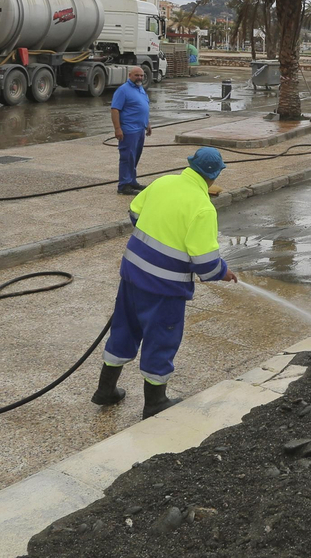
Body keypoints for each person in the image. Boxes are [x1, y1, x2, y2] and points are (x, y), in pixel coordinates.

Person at [93, 146, 237, 418]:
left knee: (124, 329)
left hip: (132, 274)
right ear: (214, 176)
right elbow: (205, 262)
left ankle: (105, 390)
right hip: (164, 287)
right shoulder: (203, 208)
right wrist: (223, 272)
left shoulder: (164, 182)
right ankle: (155, 402)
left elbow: (135, 212)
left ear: (190, 164)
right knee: (161, 340)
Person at [111, 65, 151, 195]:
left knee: (135, 157)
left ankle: (132, 181)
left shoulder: (140, 89)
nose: (139, 77)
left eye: (141, 75)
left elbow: (143, 107)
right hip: (129, 130)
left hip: (139, 129)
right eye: (136, 75)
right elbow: (115, 109)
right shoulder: (123, 90)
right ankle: (124, 185)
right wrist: (117, 128)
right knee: (127, 157)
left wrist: (147, 124)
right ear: (130, 76)